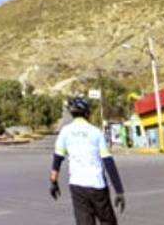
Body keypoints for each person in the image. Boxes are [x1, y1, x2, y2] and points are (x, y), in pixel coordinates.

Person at [50, 95, 126, 224]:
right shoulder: (95, 132)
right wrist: (119, 191)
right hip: (97, 185)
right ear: (87, 114)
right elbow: (108, 162)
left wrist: (53, 182)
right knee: (108, 221)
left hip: (77, 185)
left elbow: (57, 159)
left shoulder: (65, 132)